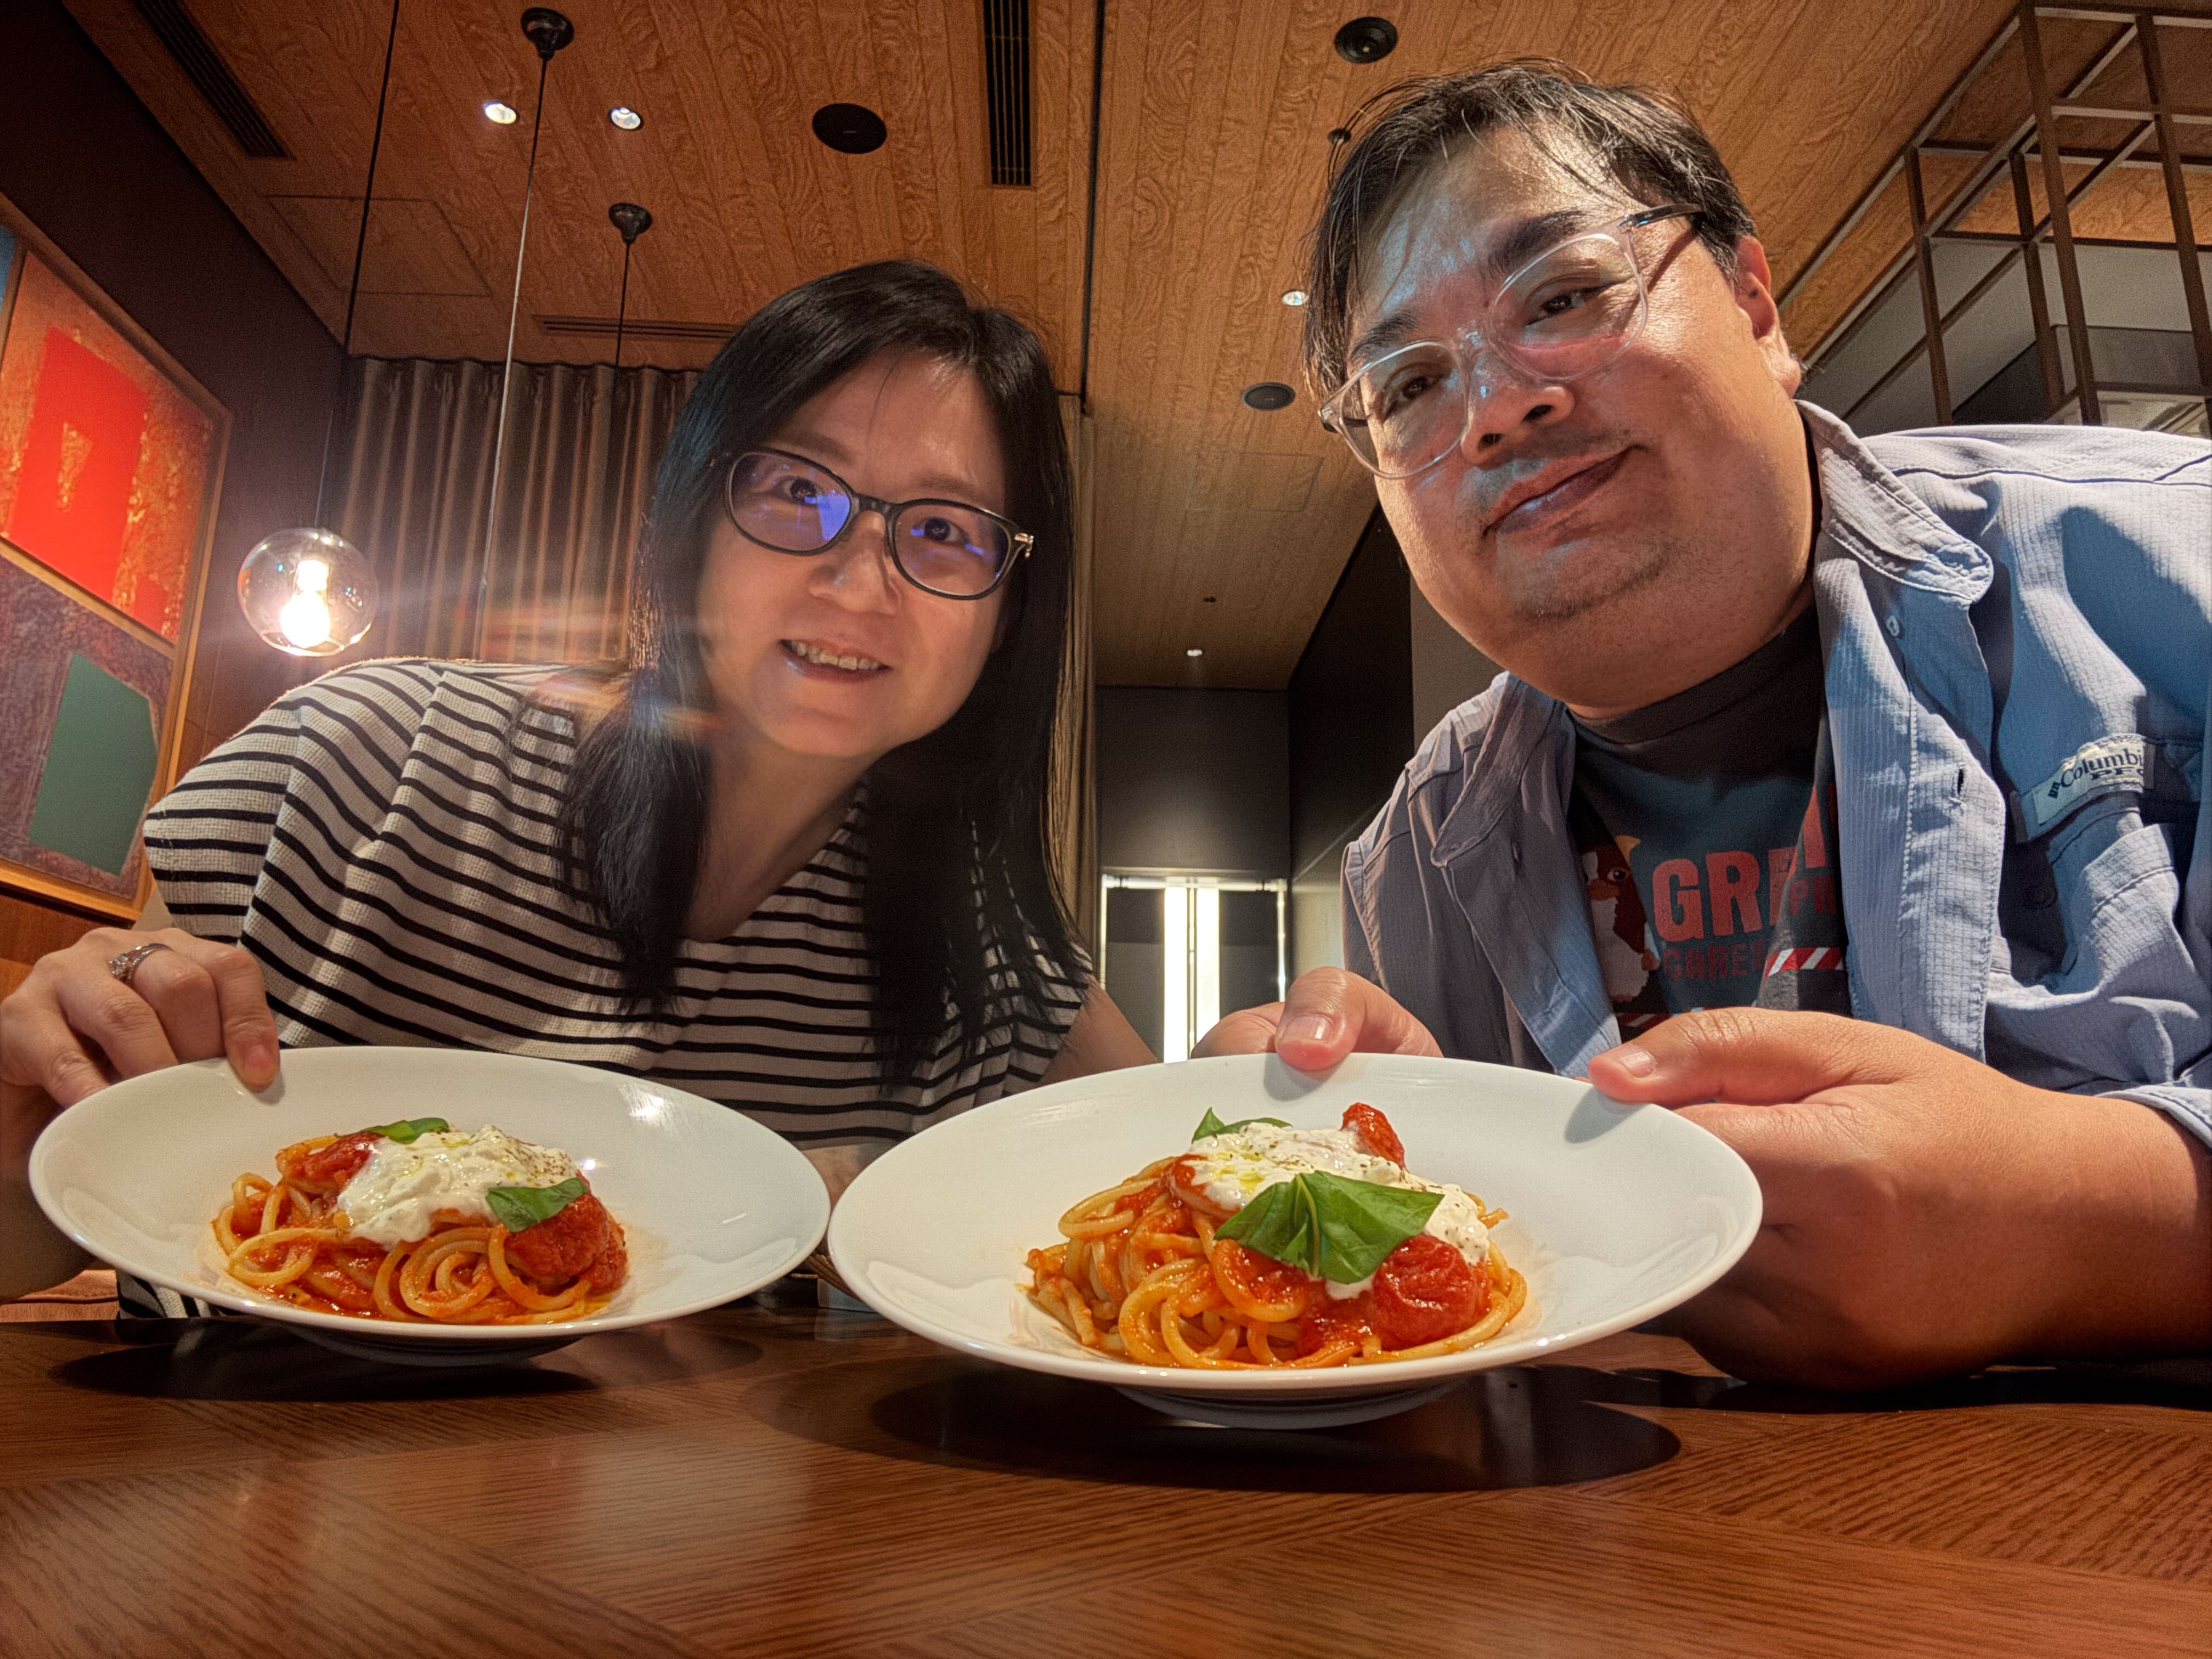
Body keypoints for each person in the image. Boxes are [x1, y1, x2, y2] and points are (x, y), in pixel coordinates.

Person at [1200, 63, 2211, 1388]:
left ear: (1753, 302)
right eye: (1408, 386)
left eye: (1561, 296)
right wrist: (1407, 1177)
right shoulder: (1416, 861)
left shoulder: (2171, 571)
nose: (1495, 408)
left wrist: (2096, 1227)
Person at [1, 259, 1153, 1307]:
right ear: (694, 517)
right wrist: (42, 1100)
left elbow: (1186, 1167)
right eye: (800, 491)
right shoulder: (367, 758)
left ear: (1010, 610)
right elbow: (39, 1236)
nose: (858, 584)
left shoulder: (989, 955)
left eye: (946, 529)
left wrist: (1266, 1066)